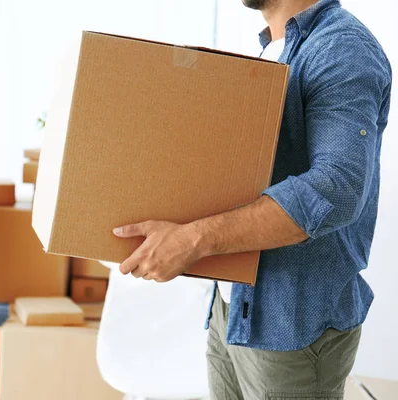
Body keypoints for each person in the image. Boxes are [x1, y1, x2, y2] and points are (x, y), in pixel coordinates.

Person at [112, 0, 392, 398]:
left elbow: (336, 189)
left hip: (292, 322)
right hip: (234, 308)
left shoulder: (341, 48)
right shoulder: (270, 48)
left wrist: (193, 239)